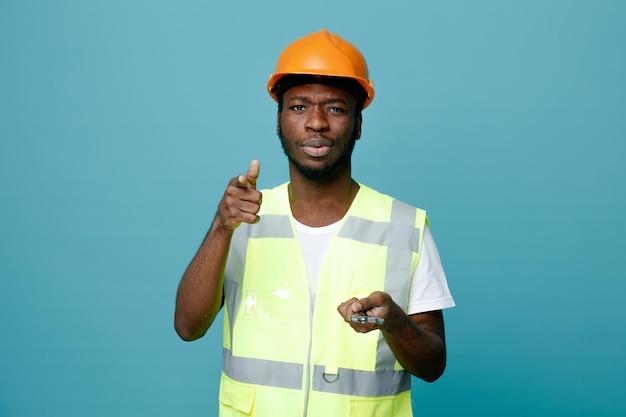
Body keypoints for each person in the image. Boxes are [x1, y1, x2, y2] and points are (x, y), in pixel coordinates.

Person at [174, 28, 455, 417]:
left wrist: (395, 324)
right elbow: (188, 327)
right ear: (279, 121)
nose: (317, 122)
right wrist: (221, 227)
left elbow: (433, 366)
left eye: (336, 108)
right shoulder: (241, 217)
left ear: (358, 124)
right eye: (299, 107)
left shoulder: (405, 226)